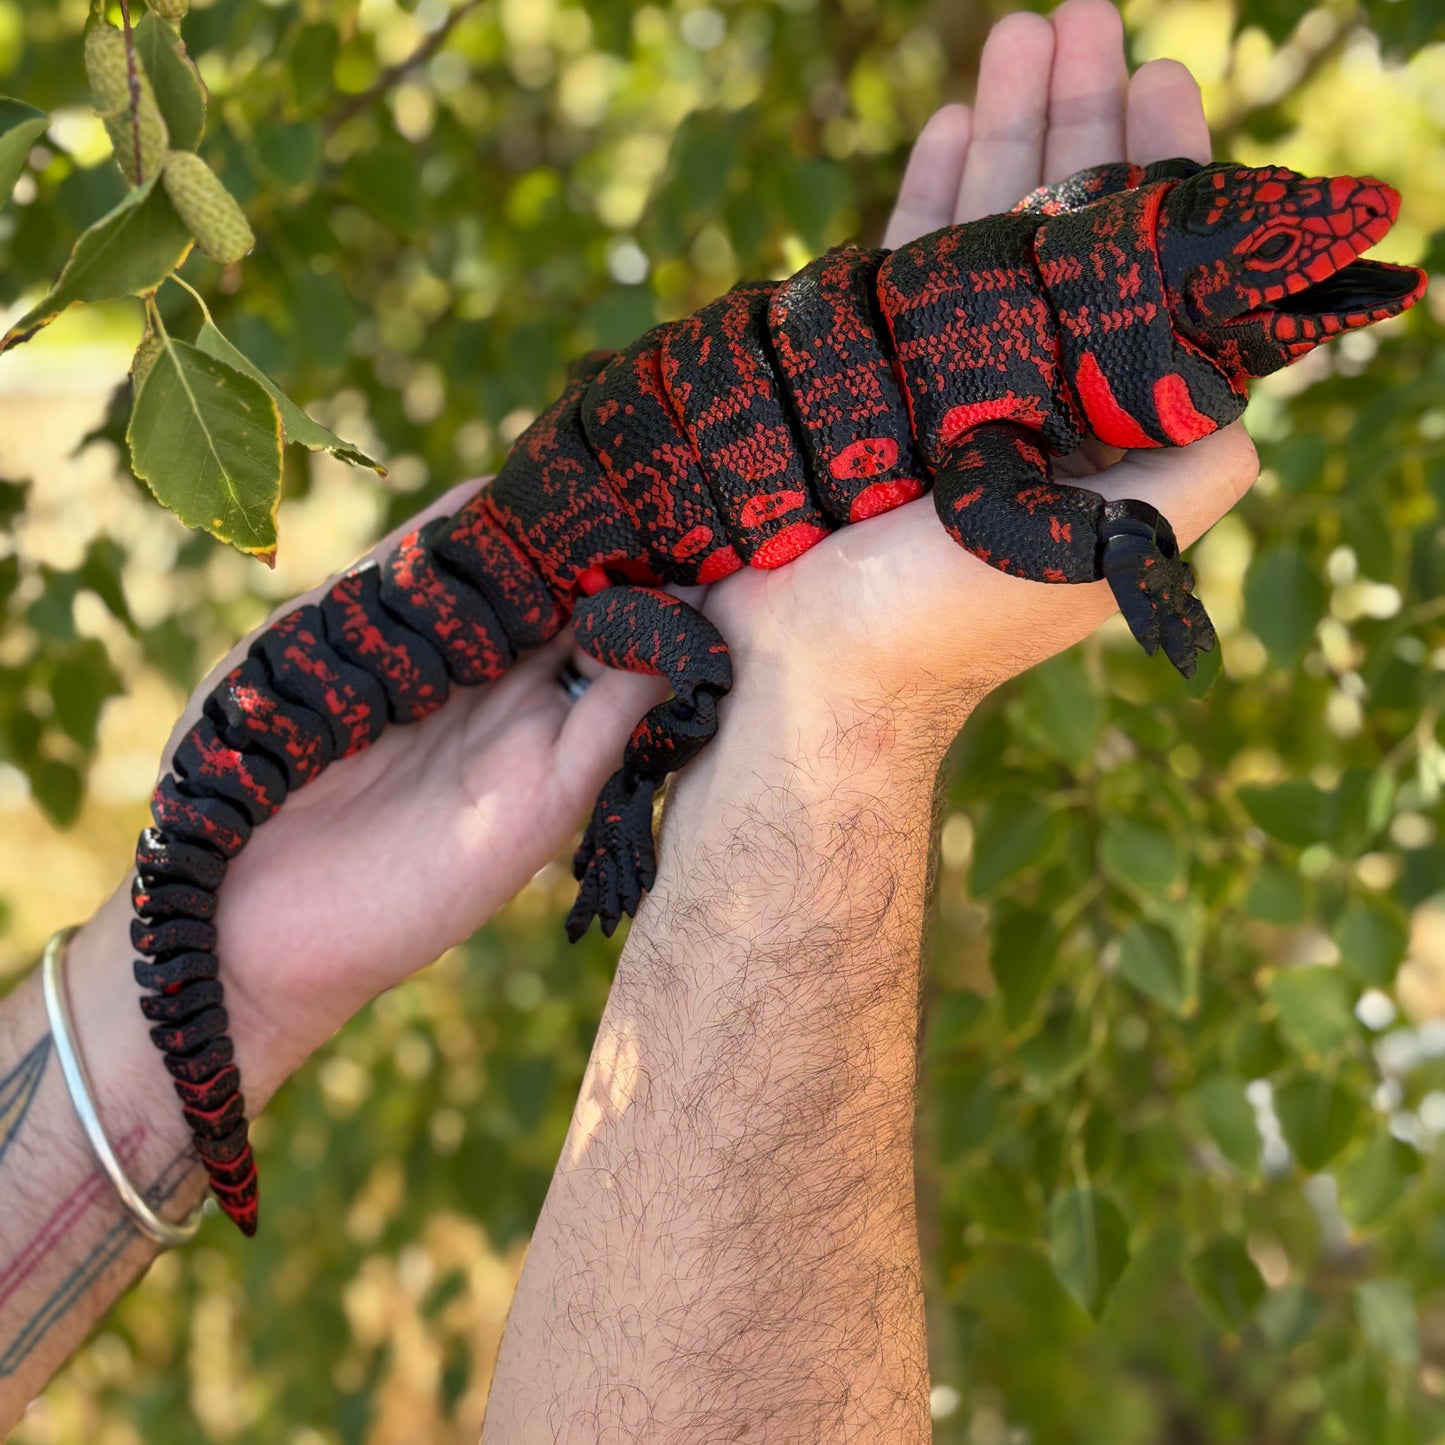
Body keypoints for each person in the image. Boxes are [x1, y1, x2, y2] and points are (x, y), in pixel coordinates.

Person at [0, 1, 1257, 1435]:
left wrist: (219, 988)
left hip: (600, 501)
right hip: (584, 536)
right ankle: (629, 798)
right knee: (697, 679)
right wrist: (822, 714)